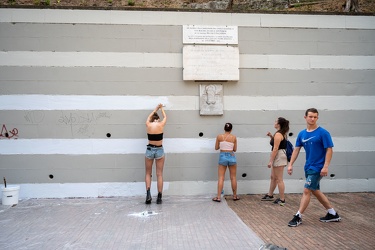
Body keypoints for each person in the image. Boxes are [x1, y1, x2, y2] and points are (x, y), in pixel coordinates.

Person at [287, 108, 341, 227]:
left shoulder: (323, 133)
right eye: (310, 116)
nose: (312, 119)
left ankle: (298, 216)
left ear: (317, 118)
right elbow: (296, 150)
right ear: (305, 117)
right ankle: (332, 214)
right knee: (315, 190)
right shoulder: (302, 134)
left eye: (315, 117)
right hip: (308, 166)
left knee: (307, 190)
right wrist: (290, 164)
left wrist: (325, 166)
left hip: (318, 167)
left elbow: (329, 150)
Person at [261, 117, 290, 205]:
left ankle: (282, 199)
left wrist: (270, 161)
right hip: (279, 155)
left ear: (278, 124)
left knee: (279, 179)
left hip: (279, 156)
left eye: (275, 121)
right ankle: (270, 195)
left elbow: (275, 148)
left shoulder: (278, 134)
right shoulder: (280, 133)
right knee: (273, 177)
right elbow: (276, 143)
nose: (274, 123)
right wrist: (270, 136)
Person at [145, 103, 167, 204]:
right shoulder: (161, 124)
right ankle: (159, 197)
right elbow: (165, 117)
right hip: (159, 149)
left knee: (148, 173)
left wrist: (155, 109)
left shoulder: (148, 124)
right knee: (159, 174)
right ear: (157, 119)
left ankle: (148, 194)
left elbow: (149, 117)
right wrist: (161, 109)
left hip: (149, 149)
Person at [212, 123, 239, 202]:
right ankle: (234, 196)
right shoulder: (234, 137)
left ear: (224, 129)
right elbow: (235, 149)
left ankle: (218, 197)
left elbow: (216, 147)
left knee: (221, 177)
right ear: (231, 129)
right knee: (233, 177)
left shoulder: (219, 136)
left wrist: (223, 144)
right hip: (231, 155)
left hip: (223, 156)